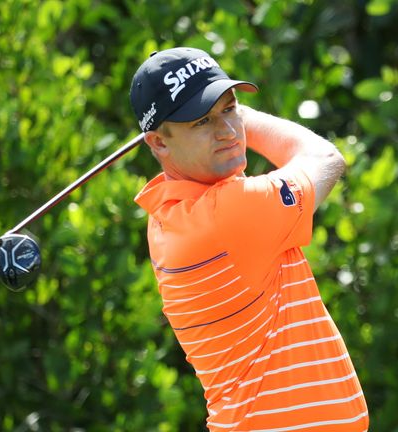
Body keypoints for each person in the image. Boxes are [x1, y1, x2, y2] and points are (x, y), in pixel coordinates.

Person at [130, 47, 368, 432]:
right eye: (202, 121)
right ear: (158, 143)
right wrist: (248, 118)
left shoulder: (170, 215)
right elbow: (325, 158)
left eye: (230, 108)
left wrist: (222, 115)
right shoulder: (229, 213)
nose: (227, 131)